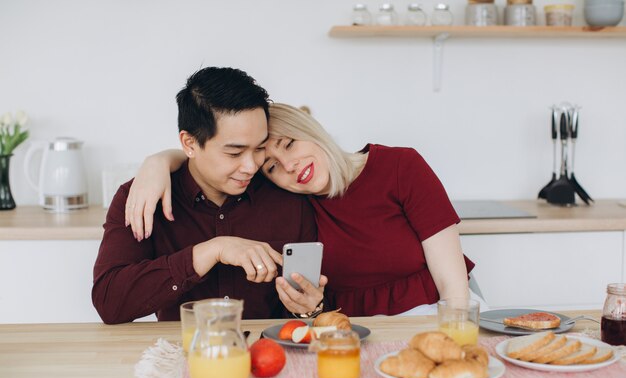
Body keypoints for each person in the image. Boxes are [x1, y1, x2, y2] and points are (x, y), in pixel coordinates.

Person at [126, 103, 476, 317]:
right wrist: (157, 162)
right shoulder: (290, 200)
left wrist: (455, 335)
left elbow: (452, 283)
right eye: (273, 167)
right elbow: (209, 162)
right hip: (346, 331)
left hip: (436, 313)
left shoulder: (400, 166)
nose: (290, 167)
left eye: (289, 145)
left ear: (310, 129)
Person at [92, 69, 326, 324]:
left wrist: (309, 309)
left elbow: (302, 314)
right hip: (180, 356)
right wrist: (213, 250)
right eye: (234, 153)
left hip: (268, 357)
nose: (251, 166)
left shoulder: (286, 195)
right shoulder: (143, 197)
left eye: (259, 148)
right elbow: (110, 302)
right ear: (189, 144)